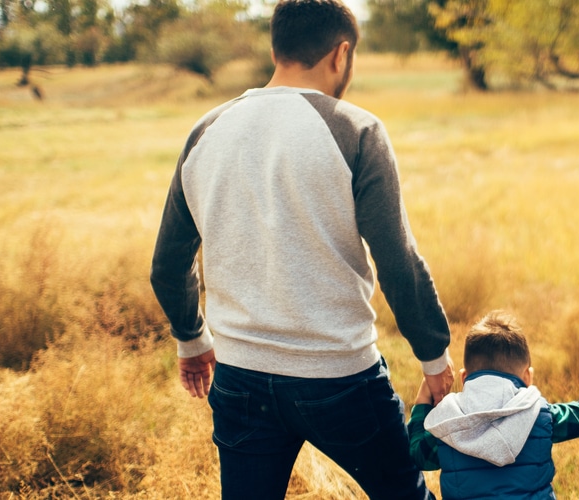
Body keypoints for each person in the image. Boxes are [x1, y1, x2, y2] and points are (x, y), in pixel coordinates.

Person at [149, 1, 454, 498]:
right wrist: (435, 359)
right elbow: (398, 263)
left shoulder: (206, 131)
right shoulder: (357, 130)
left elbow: (168, 266)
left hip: (240, 376)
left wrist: (191, 340)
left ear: (276, 48)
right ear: (342, 54)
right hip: (341, 377)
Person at [407, 311, 579, 499]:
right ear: (528, 377)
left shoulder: (449, 422)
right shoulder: (538, 414)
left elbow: (417, 454)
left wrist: (425, 394)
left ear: (464, 378)